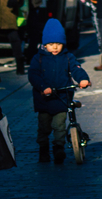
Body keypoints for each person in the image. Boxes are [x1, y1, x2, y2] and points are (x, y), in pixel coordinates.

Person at [29, 19, 91, 163]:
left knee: (59, 126)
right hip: (44, 99)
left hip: (62, 98)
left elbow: (76, 68)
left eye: (58, 44)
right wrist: (43, 87)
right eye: (51, 45)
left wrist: (83, 79)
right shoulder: (38, 59)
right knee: (44, 127)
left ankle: (59, 148)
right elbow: (33, 75)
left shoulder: (68, 57)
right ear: (45, 44)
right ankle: (43, 149)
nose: (55, 47)